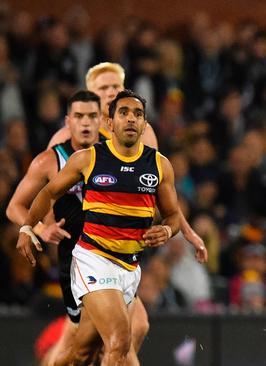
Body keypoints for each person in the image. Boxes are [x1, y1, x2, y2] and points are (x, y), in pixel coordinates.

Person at [47, 62, 207, 362]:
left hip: (125, 252)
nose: (110, 92)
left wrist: (186, 232)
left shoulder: (142, 135)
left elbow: (164, 194)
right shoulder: (68, 137)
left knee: (109, 339)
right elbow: (48, 190)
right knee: (105, 339)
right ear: (90, 93)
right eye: (102, 88)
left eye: (114, 87)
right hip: (84, 248)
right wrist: (41, 227)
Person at [17, 90, 181, 365]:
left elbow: (173, 215)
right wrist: (26, 228)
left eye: (138, 114)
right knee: (120, 339)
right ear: (110, 122)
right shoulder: (88, 159)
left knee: (83, 351)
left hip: (130, 267)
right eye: (124, 113)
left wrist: (166, 230)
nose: (131, 119)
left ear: (145, 124)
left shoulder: (159, 165)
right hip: (93, 260)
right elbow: (49, 193)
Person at [6, 90, 104, 365]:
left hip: (115, 260)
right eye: (79, 116)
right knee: (90, 345)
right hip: (75, 264)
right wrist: (40, 229)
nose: (85, 123)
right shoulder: (50, 160)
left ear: (101, 120)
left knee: (114, 340)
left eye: (92, 116)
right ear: (67, 122)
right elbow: (15, 207)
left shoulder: (117, 155)